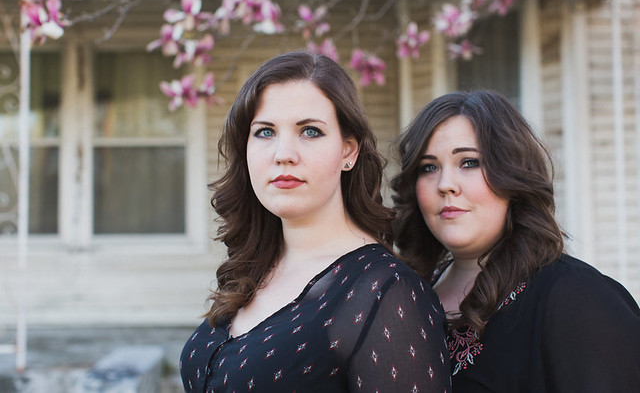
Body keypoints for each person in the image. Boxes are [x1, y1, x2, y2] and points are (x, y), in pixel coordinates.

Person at [180, 51, 451, 392]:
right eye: (265, 132)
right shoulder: (253, 267)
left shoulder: (387, 292)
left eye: (310, 131)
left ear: (348, 151)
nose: (283, 154)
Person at [391, 89, 640, 392]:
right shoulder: (411, 295)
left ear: (512, 175)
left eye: (469, 162)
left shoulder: (575, 297)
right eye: (428, 167)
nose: (445, 185)